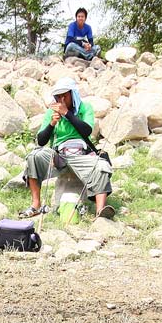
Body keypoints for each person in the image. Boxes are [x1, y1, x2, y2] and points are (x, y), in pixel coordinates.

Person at [20, 75, 114, 220]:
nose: (61, 100)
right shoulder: (51, 112)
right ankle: (36, 204)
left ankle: (100, 211)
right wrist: (51, 124)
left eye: (65, 96)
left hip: (82, 155)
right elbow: (41, 140)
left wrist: (67, 114)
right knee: (34, 156)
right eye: (58, 97)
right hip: (59, 156)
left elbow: (87, 131)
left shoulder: (85, 108)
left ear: (73, 95)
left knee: (101, 165)